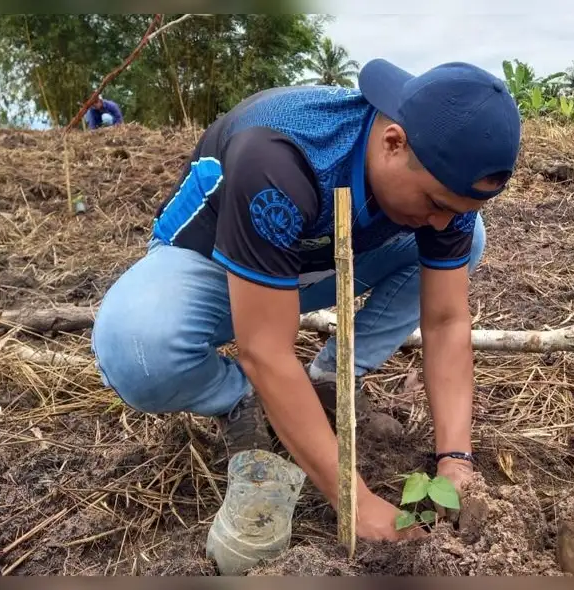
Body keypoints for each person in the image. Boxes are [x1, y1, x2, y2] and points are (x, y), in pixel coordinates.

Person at [90, 59, 521, 542]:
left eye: (455, 209)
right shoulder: (278, 158)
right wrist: (355, 504)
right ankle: (238, 398)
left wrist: (455, 459)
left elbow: (444, 322)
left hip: (315, 260)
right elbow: (265, 349)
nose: (444, 222)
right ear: (393, 142)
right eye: (436, 204)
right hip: (212, 262)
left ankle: (330, 379)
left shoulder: (447, 181)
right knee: (137, 349)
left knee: (472, 239)